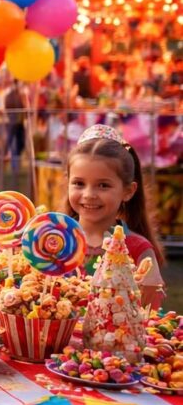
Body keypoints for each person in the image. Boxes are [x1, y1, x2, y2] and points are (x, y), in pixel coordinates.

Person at [63, 125, 165, 307]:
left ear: (128, 191)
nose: (89, 194)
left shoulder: (138, 250)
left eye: (103, 185)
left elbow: (150, 310)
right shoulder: (53, 241)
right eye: (79, 183)